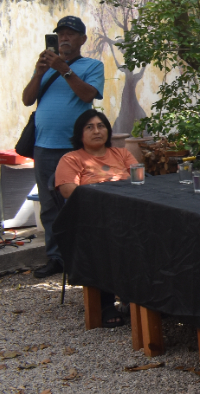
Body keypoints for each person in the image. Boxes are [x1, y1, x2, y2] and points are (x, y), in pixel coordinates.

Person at [23, 16, 105, 279]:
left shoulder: (93, 65)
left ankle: (82, 257)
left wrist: (63, 69)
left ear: (82, 39)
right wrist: (40, 72)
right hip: (43, 147)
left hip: (75, 149)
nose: (64, 38)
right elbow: (27, 99)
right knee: (49, 206)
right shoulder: (45, 67)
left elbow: (87, 95)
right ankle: (56, 258)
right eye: (60, 34)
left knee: (79, 203)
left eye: (70, 34)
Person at [54, 110, 138, 327]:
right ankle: (105, 303)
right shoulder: (71, 159)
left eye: (101, 126)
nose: (97, 131)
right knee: (104, 240)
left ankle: (137, 298)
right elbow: (68, 190)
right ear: (79, 133)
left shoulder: (122, 154)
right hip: (91, 220)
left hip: (126, 215)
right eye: (89, 127)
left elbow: (140, 182)